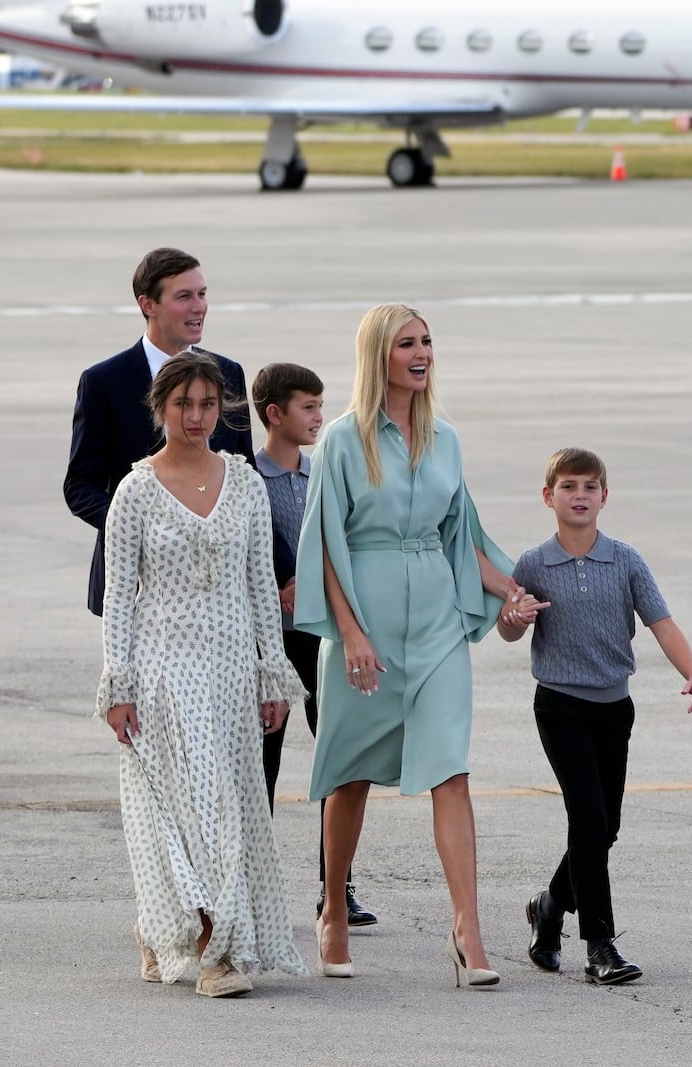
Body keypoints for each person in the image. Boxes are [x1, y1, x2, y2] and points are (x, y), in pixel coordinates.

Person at [293, 304, 540, 987]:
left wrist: (511, 590)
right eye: (407, 343)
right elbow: (322, 545)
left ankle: (468, 927)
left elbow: (464, 535)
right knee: (349, 772)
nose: (422, 352)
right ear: (380, 355)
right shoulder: (342, 441)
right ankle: (334, 908)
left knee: (450, 769)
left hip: (434, 620)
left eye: (427, 340)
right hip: (363, 621)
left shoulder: (446, 439)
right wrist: (348, 634)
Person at [97, 351, 310, 998]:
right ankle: (218, 950)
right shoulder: (134, 490)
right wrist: (119, 684)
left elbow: (259, 586)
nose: (196, 416)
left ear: (224, 409)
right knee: (197, 807)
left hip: (231, 671)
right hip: (164, 670)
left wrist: (273, 673)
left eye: (208, 404)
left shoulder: (244, 482)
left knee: (230, 808)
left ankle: (163, 923)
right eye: (183, 404)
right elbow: (117, 597)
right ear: (160, 407)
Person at [499, 447, 692, 986]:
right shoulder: (531, 563)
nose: (580, 496)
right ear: (549, 496)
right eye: (568, 486)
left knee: (605, 827)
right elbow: (507, 627)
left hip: (614, 708)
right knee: (589, 821)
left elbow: (662, 623)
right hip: (560, 705)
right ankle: (600, 945)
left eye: (590, 487)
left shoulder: (626, 560)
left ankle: (548, 906)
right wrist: (514, 617)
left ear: (605, 498)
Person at [251, 361, 378, 928]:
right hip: (272, 644)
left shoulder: (323, 471)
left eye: (321, 406)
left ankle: (336, 884)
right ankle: (256, 886)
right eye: (308, 407)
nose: (319, 418)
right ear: (274, 414)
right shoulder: (246, 479)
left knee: (340, 755)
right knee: (263, 765)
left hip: (323, 637)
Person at [64, 247, 257, 620]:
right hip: (137, 586)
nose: (198, 306)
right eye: (184, 296)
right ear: (147, 304)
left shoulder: (228, 373)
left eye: (202, 294)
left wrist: (286, 568)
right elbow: (80, 487)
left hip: (220, 586)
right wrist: (143, 529)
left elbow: (246, 477)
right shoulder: (104, 382)